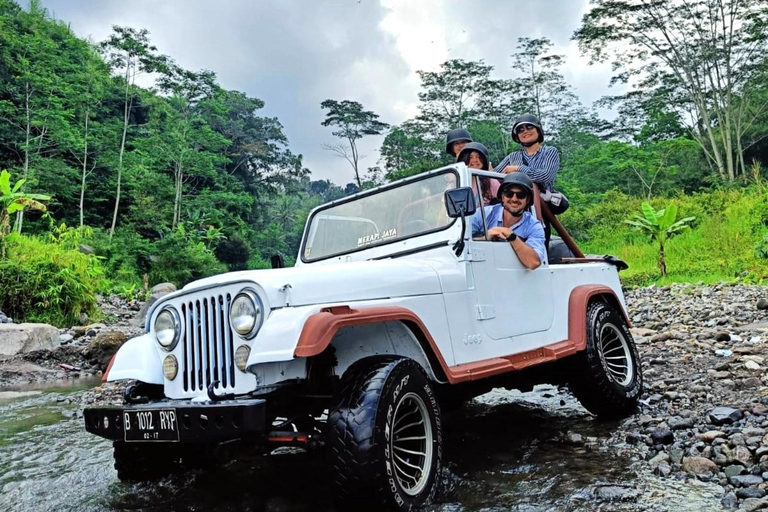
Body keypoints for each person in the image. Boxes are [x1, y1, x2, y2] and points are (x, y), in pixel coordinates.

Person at [471, 173, 545, 270]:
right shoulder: (483, 214)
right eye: (509, 194)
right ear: (502, 197)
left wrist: (511, 235)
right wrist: (485, 238)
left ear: (528, 200)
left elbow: (533, 262)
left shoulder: (534, 226)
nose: (514, 199)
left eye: (520, 195)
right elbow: (459, 241)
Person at [493, 114, 560, 195]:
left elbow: (546, 176)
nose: (525, 131)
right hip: (515, 199)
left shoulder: (549, 151)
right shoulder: (512, 157)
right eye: (520, 130)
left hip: (541, 200)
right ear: (517, 136)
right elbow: (493, 176)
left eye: (529, 127)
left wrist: (519, 169)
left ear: (538, 131)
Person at [456, 141, 500, 206]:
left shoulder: (491, 182)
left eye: (478, 157)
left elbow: (505, 202)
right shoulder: (456, 183)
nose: (475, 160)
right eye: (470, 157)